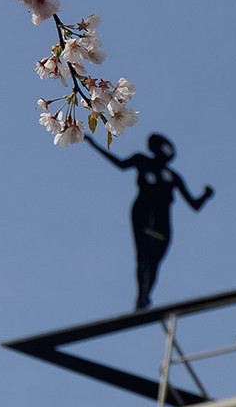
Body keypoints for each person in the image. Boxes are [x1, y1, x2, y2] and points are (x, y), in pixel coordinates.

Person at [87, 133, 214, 310]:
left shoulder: (173, 176)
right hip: (143, 213)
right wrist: (94, 144)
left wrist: (206, 196)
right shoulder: (142, 160)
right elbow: (120, 164)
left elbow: (194, 204)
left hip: (163, 220)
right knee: (143, 258)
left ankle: (146, 295)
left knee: (155, 261)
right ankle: (142, 295)